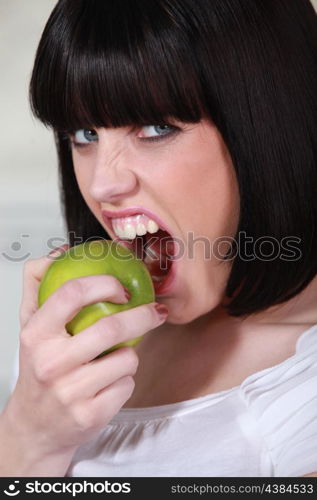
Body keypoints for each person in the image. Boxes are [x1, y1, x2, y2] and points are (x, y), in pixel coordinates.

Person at [1, 0, 317, 478]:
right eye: (85, 133)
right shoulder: (62, 347)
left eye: (155, 127)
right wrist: (27, 437)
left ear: (269, 124)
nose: (103, 185)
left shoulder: (302, 396)